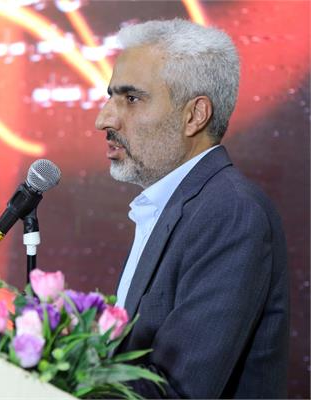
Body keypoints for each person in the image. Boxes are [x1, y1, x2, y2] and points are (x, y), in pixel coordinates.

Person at [95, 19, 289, 398]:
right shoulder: (182, 205)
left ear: (195, 115)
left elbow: (176, 391)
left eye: (131, 99)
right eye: (111, 97)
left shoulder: (231, 213)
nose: (104, 119)